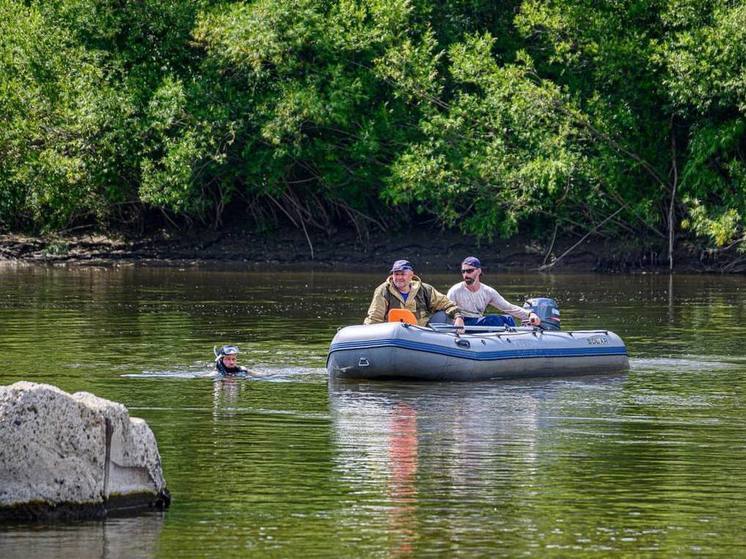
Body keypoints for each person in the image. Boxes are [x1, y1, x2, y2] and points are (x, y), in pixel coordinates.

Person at [365, 259, 465, 329]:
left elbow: (447, 304)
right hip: (393, 335)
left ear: (411, 275)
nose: (399, 277)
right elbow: (374, 317)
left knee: (443, 315)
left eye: (402, 274)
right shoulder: (383, 290)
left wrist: (458, 317)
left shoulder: (425, 289)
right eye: (396, 274)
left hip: (421, 334)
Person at [447, 256, 541, 328]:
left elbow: (509, 308)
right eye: (463, 272)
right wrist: (457, 319)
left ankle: (514, 343)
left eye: (469, 271)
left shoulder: (488, 292)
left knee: (508, 318)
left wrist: (529, 314)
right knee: (494, 320)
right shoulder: (455, 291)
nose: (465, 275)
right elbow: (446, 310)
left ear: (479, 271)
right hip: (462, 323)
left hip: (478, 322)